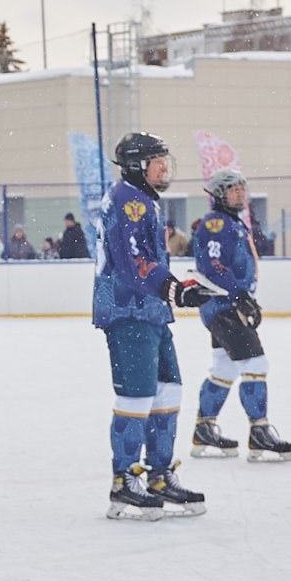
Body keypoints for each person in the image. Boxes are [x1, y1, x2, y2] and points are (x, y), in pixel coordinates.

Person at [94, 132, 208, 521]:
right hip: (129, 310)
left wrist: (177, 290)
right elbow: (132, 263)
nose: (165, 167)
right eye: (157, 161)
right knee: (138, 396)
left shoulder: (142, 200)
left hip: (151, 310)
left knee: (168, 389)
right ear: (137, 166)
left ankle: (159, 475)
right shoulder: (128, 202)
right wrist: (173, 288)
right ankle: (124, 479)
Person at [188, 169, 291, 464]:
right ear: (218, 194)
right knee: (256, 363)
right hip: (223, 306)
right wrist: (240, 296)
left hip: (226, 304)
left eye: (241, 189)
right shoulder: (215, 224)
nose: (239, 194)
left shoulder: (233, 223)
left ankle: (204, 430)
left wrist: (243, 296)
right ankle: (259, 432)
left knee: (224, 367)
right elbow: (212, 267)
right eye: (232, 190)